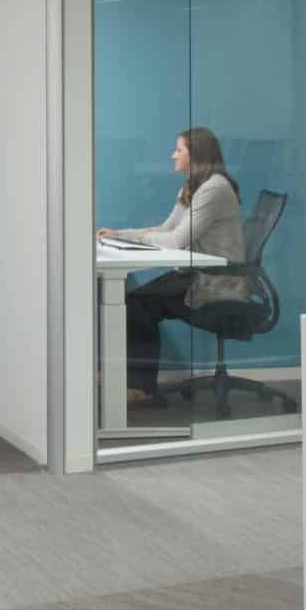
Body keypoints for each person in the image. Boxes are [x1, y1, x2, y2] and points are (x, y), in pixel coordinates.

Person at [98, 126, 246, 409]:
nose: (172, 155)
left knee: (135, 305)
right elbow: (166, 229)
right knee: (135, 303)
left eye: (179, 150)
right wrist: (120, 234)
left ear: (196, 154)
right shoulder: (193, 185)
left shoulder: (214, 188)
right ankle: (129, 380)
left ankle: (139, 387)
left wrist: (137, 238)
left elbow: (176, 241)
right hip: (194, 274)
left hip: (214, 281)